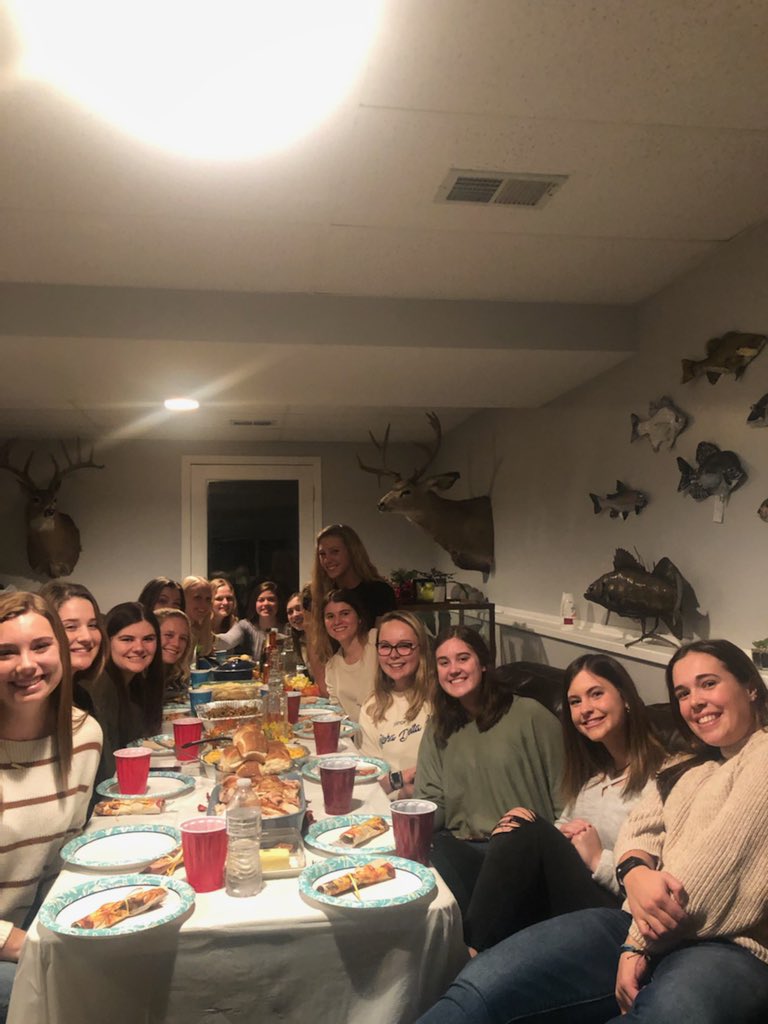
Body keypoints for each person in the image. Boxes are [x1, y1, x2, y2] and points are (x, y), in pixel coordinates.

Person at [416, 639, 768, 1024]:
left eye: (708, 684)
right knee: (481, 986)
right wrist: (634, 870)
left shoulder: (759, 756)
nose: (695, 701)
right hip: (630, 917)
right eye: (683, 693)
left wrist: (635, 944)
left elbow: (715, 869)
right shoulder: (688, 767)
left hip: (721, 943)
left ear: (750, 685)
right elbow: (642, 829)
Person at [463, 652, 666, 953]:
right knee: (444, 850)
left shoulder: (662, 778)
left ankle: (472, 950)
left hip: (613, 913)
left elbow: (662, 877)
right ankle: (476, 944)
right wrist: (553, 832)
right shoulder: (593, 776)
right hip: (566, 894)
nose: (586, 709)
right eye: (575, 702)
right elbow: (562, 824)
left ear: (624, 697)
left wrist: (598, 858)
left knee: (526, 828)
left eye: (596, 694)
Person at [0, 592, 102, 1022]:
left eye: (41, 646)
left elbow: (67, 849)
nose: (27, 665)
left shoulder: (84, 736)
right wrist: (31, 947)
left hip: (34, 926)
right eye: (6, 653)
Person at [413, 626, 564, 917]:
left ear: (482, 663)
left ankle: (474, 949)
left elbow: (565, 793)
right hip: (462, 848)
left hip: (522, 852)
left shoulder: (530, 715)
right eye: (444, 663)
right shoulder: (438, 727)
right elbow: (432, 802)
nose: (453, 669)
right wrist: (401, 826)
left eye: (463, 658)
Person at [81, 602, 164, 776]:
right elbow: (106, 769)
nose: (139, 648)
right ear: (107, 641)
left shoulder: (137, 683)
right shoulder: (101, 687)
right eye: (127, 639)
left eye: (148, 639)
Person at [358, 610, 434, 800]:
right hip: (393, 808)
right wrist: (402, 783)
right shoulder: (372, 708)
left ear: (421, 649)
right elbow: (373, 782)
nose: (394, 655)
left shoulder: (438, 698)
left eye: (404, 646)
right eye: (385, 646)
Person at [309, 524, 396, 666]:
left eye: (334, 552)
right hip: (331, 677)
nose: (327, 560)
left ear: (352, 552)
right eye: (322, 554)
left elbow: (385, 645)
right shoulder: (316, 595)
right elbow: (316, 649)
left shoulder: (379, 592)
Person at [38, 581, 106, 715]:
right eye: (70, 627)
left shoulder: (81, 696)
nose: (86, 637)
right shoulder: (33, 699)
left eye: (92, 625)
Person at [322, 588, 378, 722]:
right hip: (356, 740)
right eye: (330, 616)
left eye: (345, 613)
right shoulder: (332, 666)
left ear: (359, 617)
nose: (337, 622)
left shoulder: (379, 641)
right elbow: (337, 713)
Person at [215, 580, 281, 663]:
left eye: (271, 599)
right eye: (261, 600)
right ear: (254, 603)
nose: (266, 603)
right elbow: (228, 641)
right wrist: (204, 636)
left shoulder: (286, 629)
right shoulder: (245, 626)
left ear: (279, 602)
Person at [155, 608, 193, 704]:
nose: (176, 644)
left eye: (183, 638)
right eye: (169, 635)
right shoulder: (136, 680)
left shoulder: (178, 679)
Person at [181, 576, 214, 658]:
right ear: (183, 598)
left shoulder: (199, 629)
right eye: (197, 597)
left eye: (208, 599)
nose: (204, 604)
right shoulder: (175, 631)